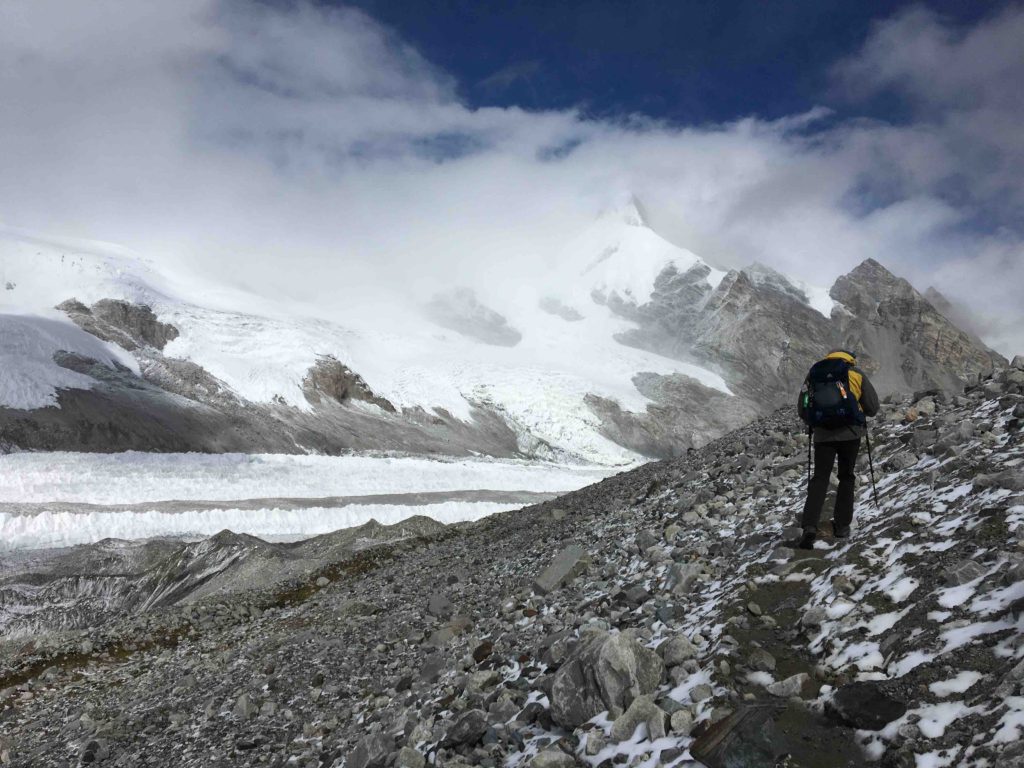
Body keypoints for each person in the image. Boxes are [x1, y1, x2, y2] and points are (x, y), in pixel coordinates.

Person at [796, 349, 880, 549]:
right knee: (846, 476)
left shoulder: (814, 374)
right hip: (850, 433)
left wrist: (816, 422)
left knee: (820, 478)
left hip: (823, 435)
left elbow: (803, 407)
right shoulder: (855, 374)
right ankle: (842, 526)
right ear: (849, 359)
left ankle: (809, 526)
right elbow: (872, 407)